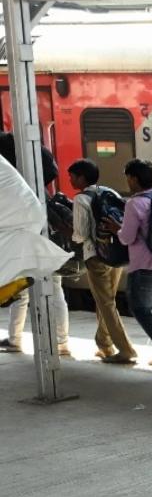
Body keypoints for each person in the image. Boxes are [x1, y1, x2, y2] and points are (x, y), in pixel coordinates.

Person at [100, 159, 152, 374]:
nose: (127, 181)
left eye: (128, 177)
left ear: (134, 178)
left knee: (140, 309)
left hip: (145, 267)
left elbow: (127, 238)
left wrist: (117, 229)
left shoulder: (134, 204)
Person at [0, 140, 70, 356]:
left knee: (21, 290)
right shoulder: (14, 141)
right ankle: (61, 342)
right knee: (54, 287)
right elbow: (51, 167)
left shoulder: (5, 146)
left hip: (22, 224)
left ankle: (16, 338)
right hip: (36, 221)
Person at [69, 158, 137, 365]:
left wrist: (69, 234)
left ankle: (125, 349)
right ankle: (104, 344)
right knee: (107, 300)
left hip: (95, 256)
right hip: (114, 254)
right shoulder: (108, 192)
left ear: (81, 178)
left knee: (105, 303)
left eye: (72, 176)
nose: (70, 180)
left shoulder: (81, 200)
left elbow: (80, 235)